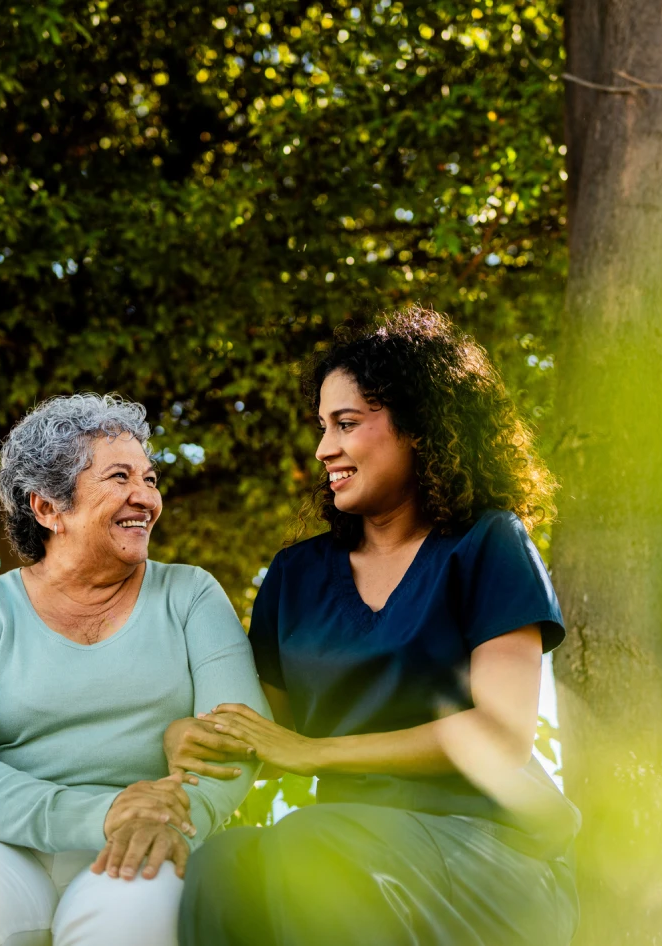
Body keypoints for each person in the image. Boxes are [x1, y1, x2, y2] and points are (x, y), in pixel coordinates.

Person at [168, 308, 581, 946]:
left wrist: (317, 753)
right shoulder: (295, 575)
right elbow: (264, 735)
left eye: (347, 423)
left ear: (418, 427)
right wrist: (186, 739)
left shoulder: (487, 544)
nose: (323, 448)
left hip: (491, 852)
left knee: (311, 845)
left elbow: (502, 735)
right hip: (344, 849)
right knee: (224, 869)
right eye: (321, 426)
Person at [0, 393, 269, 946]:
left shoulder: (190, 595)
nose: (145, 498)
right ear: (47, 508)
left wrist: (172, 820)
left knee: (138, 922)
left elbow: (233, 739)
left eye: (150, 478)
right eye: (120, 478)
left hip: (151, 834)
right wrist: (101, 812)